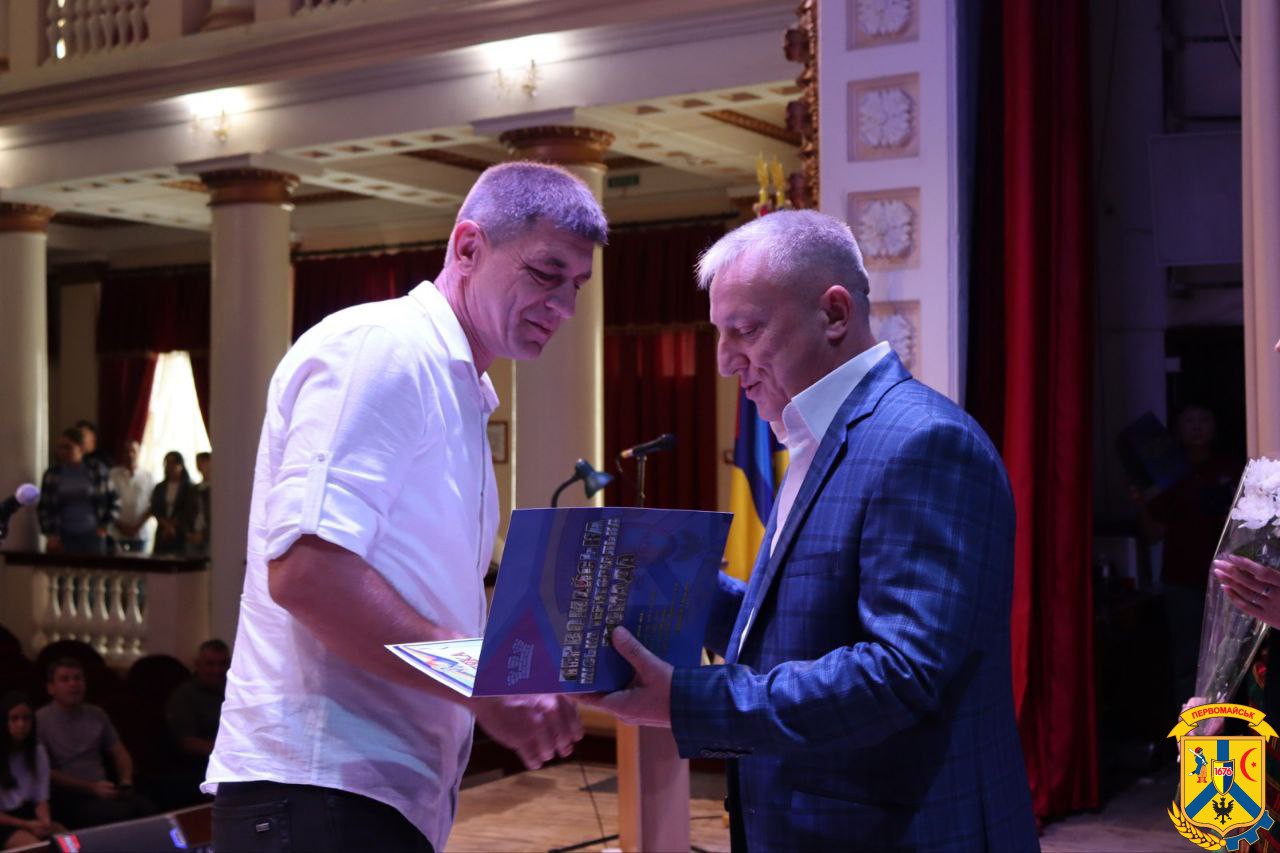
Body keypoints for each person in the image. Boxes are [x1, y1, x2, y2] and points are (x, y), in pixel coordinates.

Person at [581, 210, 1039, 851]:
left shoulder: (924, 443)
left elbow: (899, 674)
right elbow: (802, 630)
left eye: (745, 330)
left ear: (834, 314)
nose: (724, 361)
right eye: (719, 333)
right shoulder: (813, 438)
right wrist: (679, 586)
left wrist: (688, 701)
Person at [205, 161, 605, 852]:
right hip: (319, 785)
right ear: (468, 247)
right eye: (547, 274)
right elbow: (307, 573)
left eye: (577, 285)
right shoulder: (383, 348)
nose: (565, 307)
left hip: (364, 796)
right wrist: (482, 683)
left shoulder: (457, 388)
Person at [36, 659, 154, 829]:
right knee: (122, 814)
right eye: (65, 679)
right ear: (51, 688)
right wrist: (90, 788)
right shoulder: (40, 720)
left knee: (146, 806)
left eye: (78, 678)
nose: (73, 684)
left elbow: (119, 752)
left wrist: (126, 780)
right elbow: (45, 772)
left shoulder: (97, 714)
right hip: (68, 795)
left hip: (103, 788)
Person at [36, 427, 117, 556]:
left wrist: (105, 526)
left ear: (80, 448)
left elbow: (115, 500)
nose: (63, 451)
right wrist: (50, 534)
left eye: (68, 447)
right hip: (63, 536)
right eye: (61, 447)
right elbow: (45, 506)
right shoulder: (52, 474)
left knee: (93, 568)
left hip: (93, 535)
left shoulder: (97, 470)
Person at [0, 692, 62, 850]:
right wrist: (26, 825)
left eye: (26, 718)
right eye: (14, 719)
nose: (21, 724)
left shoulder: (37, 752)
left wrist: (45, 822)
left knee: (70, 843)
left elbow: (40, 798)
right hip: (4, 821)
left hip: (27, 814)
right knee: (38, 848)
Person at [166, 640, 229, 780]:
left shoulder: (236, 692)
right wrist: (229, 752)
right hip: (198, 768)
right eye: (210, 664)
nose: (217, 670)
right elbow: (187, 742)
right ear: (198, 665)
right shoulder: (185, 696)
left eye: (222, 664)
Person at [108, 441, 155, 554]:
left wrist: (136, 527)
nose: (130, 454)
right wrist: (120, 526)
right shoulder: (112, 474)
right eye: (127, 451)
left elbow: (153, 505)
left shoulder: (148, 476)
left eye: (133, 451)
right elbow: (106, 502)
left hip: (140, 534)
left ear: (139, 453)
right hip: (116, 533)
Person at [148, 451, 198, 557]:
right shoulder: (160, 487)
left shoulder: (189, 487)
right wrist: (166, 526)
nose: (170, 466)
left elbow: (188, 510)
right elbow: (155, 508)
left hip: (181, 531)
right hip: (162, 532)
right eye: (168, 463)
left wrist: (172, 525)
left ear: (181, 465)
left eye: (174, 463)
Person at [187, 452, 211, 557]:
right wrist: (188, 533)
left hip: (209, 536)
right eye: (198, 462)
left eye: (203, 462)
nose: (200, 465)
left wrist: (204, 534)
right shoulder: (194, 489)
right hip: (193, 534)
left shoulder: (217, 490)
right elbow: (187, 512)